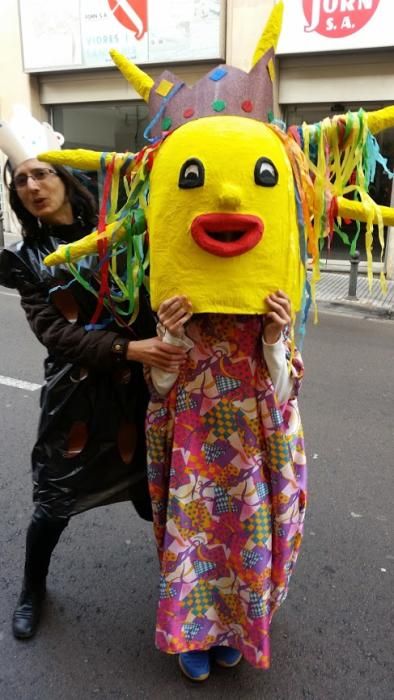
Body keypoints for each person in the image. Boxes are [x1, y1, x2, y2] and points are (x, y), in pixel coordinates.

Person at [0, 154, 187, 640]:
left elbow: (156, 288)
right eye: (21, 180)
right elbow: (54, 333)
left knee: (150, 493)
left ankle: (184, 581)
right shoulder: (24, 257)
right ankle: (32, 589)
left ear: (64, 178)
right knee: (54, 501)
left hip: (136, 392)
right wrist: (128, 347)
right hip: (76, 398)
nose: (32, 185)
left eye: (41, 173)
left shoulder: (122, 233)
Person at [145, 292, 306, 680]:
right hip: (193, 456)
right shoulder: (181, 305)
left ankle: (232, 631)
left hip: (250, 454)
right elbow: (160, 388)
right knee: (193, 543)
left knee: (245, 545)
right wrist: (171, 334)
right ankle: (195, 635)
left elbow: (284, 394)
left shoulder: (267, 307)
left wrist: (271, 335)